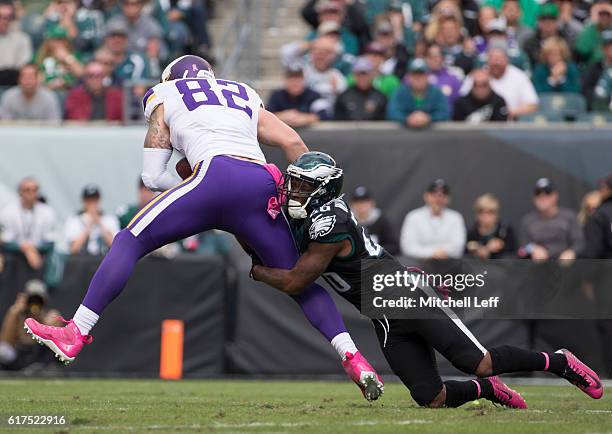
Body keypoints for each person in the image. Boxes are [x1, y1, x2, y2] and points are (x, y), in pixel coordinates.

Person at [24, 55, 382, 401]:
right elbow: (294, 144)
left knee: (129, 240)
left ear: (172, 80)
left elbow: (152, 176)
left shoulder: (165, 94)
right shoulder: (241, 93)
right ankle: (354, 357)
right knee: (298, 280)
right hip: (260, 186)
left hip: (213, 177)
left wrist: (195, 187)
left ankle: (77, 330)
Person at [250, 151, 603, 409]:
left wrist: (258, 269)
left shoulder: (330, 223)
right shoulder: (312, 213)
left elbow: (297, 281)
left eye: (302, 186)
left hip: (405, 297)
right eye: (293, 183)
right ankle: (487, 391)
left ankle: (560, 362)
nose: (293, 191)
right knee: (431, 397)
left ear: (323, 191)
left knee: (480, 362)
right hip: (384, 316)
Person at [461, 44, 538, 119]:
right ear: (487, 60)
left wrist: (507, 112)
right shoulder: (477, 76)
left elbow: (532, 105)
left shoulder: (519, 76)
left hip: (510, 123)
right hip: (478, 122)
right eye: (493, 59)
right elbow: (461, 100)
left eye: (499, 59)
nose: (496, 63)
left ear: (507, 60)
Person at [0, 280, 62, 371]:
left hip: (40, 356)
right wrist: (14, 312)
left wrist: (43, 321)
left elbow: (57, 345)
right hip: (20, 354)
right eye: (32, 299)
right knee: (3, 351)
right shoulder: (18, 314)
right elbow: (5, 342)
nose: (35, 303)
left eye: (38, 299)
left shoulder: (50, 315)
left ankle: (43, 370)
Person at [518, 178, 584, 261]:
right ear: (534, 198)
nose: (542, 197)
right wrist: (533, 249)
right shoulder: (527, 220)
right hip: (537, 268)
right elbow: (522, 249)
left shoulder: (569, 216)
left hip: (565, 267)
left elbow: (579, 243)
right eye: (538, 193)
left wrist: (572, 252)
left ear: (555, 196)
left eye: (547, 193)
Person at [399, 178, 466, 259]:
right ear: (426, 196)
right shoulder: (413, 216)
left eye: (443, 194)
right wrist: (432, 254)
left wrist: (439, 253)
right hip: (419, 265)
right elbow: (408, 247)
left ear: (448, 198)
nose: (438, 197)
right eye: (434, 193)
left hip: (449, 265)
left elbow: (458, 246)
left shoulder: (456, 218)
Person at [0, 177, 57, 272]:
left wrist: (32, 248)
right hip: (13, 255)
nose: (31, 193)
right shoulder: (8, 211)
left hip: (39, 255)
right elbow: (5, 240)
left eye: (35, 190)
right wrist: (26, 249)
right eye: (27, 190)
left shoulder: (47, 212)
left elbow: (50, 241)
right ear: (20, 192)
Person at [387, 58, 450, 128]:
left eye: (421, 74)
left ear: (427, 76)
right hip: (403, 137)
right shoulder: (400, 92)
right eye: (414, 74)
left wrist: (428, 118)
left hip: (433, 137)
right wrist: (407, 119)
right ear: (408, 76)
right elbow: (393, 112)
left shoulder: (437, 93)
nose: (418, 78)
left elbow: (444, 112)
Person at [266, 65, 330, 128]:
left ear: (304, 80)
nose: (295, 82)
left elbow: (324, 114)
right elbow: (265, 115)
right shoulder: (276, 96)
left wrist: (304, 118)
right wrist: (283, 116)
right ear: (285, 80)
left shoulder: (313, 95)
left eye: (298, 78)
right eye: (291, 78)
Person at [64, 184, 120, 256]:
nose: (92, 204)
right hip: (81, 262)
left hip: (103, 260)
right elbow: (74, 249)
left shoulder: (109, 219)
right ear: (83, 201)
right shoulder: (74, 220)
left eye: (94, 200)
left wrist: (99, 223)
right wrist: (89, 226)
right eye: (89, 201)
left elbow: (115, 245)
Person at [334, 57, 387, 121]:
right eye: (359, 74)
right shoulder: (344, 96)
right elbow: (338, 121)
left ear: (372, 75)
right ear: (354, 75)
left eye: (365, 74)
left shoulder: (380, 97)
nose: (362, 77)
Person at [349, 186, 398, 255]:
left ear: (372, 203)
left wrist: (376, 251)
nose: (361, 205)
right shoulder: (347, 222)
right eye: (358, 202)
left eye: (365, 201)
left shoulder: (381, 221)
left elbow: (393, 246)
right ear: (351, 204)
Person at [466, 194, 516, 259]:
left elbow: (515, 253)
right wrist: (476, 252)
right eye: (481, 212)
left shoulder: (505, 230)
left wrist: (502, 245)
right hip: (477, 267)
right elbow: (465, 251)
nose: (485, 217)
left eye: (490, 212)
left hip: (500, 267)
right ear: (476, 215)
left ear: (496, 214)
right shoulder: (471, 232)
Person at [0, 0, 32, 86]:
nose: (4, 21)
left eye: (8, 17)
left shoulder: (22, 38)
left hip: (15, 83)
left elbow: (23, 66)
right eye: (1, 16)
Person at [583, 30, 612, 110]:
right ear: (602, 48)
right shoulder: (594, 68)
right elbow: (587, 90)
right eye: (607, 46)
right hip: (599, 108)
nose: (610, 49)